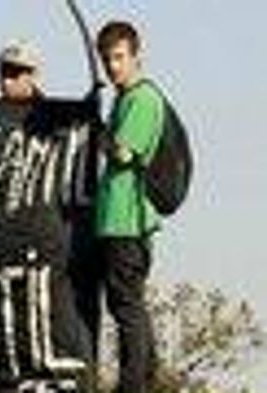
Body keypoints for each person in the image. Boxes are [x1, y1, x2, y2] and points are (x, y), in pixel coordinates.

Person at [92, 20, 166, 392]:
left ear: (137, 56)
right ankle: (146, 376)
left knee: (125, 309)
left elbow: (123, 152)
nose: (113, 67)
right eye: (107, 60)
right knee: (128, 303)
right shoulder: (124, 98)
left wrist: (97, 127)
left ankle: (133, 384)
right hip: (114, 221)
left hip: (128, 222)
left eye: (119, 58)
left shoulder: (143, 98)